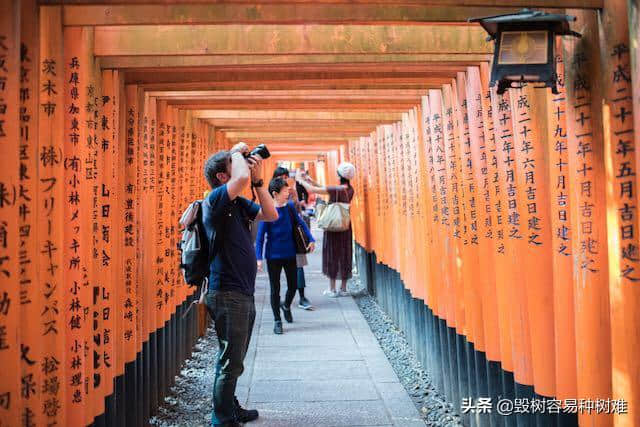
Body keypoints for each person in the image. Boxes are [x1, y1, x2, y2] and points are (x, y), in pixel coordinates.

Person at [202, 142, 278, 427]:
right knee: (231, 359)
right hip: (227, 291)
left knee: (234, 356)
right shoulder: (216, 200)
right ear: (223, 177)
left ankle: (229, 406)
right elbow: (241, 179)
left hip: (242, 291)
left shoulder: (236, 203)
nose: (244, 168)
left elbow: (271, 214)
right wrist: (235, 150)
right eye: (236, 166)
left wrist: (259, 182)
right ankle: (221, 420)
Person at [255, 178, 316, 334]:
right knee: (275, 289)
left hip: (290, 253)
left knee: (293, 286)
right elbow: (260, 237)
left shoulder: (289, 208)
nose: (288, 192)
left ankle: (286, 305)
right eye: (285, 191)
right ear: (275, 194)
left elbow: (300, 224)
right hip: (273, 256)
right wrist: (259, 259)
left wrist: (311, 238)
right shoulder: (268, 211)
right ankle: (277, 321)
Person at [296, 162, 356, 297]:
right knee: (345, 253)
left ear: (339, 175)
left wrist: (300, 181)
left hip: (332, 225)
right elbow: (323, 188)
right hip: (345, 225)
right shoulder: (349, 189)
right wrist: (310, 180)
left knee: (332, 254)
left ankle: (332, 289)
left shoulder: (337, 189)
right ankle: (344, 289)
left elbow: (314, 190)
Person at [271, 166, 313, 310]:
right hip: (278, 242)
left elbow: (298, 213)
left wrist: (294, 197)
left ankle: (301, 296)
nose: (284, 180)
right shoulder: (272, 194)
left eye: (285, 177)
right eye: (281, 178)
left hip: (295, 235)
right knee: (277, 278)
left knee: (299, 265)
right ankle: (282, 305)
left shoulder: (290, 190)